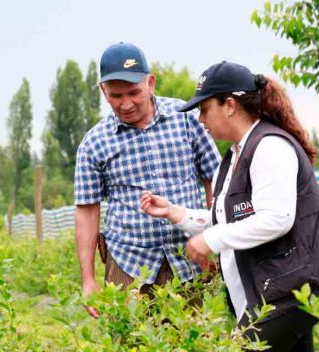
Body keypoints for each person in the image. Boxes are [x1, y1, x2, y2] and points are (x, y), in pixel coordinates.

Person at [140, 61, 319, 352]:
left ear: (230, 105)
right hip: (278, 293)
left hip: (293, 292)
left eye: (205, 108)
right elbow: (229, 221)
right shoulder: (233, 157)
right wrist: (177, 214)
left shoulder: (270, 147)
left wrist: (211, 240)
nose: (201, 119)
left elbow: (276, 217)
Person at [74, 43, 221, 317]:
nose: (126, 104)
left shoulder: (186, 119)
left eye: (134, 92)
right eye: (116, 95)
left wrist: (215, 241)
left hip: (190, 258)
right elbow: (86, 210)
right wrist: (88, 279)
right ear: (103, 91)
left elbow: (215, 180)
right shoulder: (94, 143)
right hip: (128, 264)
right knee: (132, 349)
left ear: (150, 83)